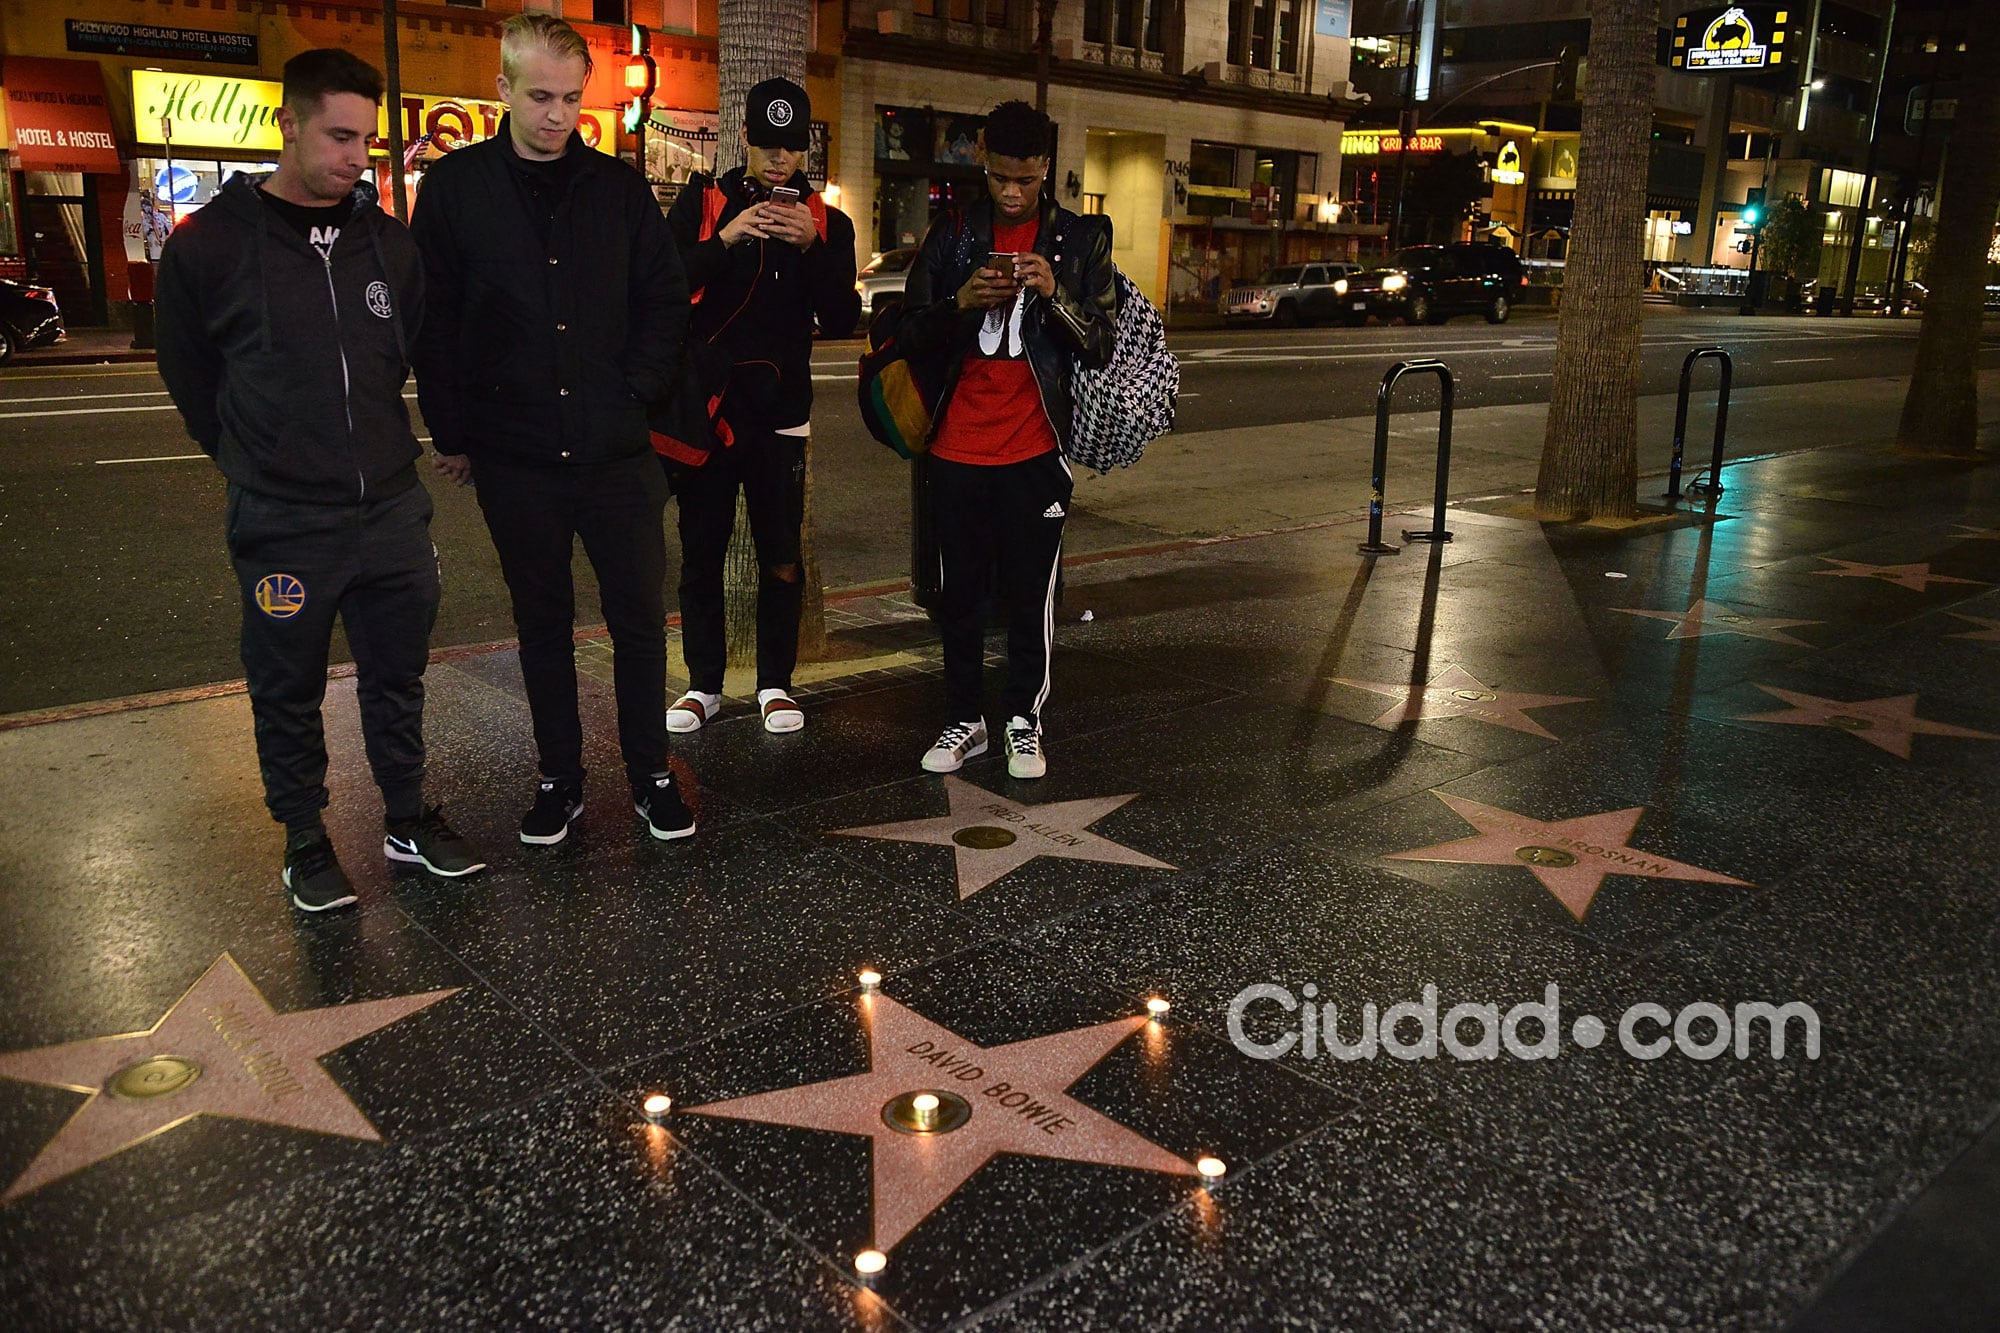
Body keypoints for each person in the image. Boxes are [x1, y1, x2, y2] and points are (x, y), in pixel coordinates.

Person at [156, 49, 484, 913]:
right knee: (287, 686)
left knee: (396, 677)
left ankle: (407, 821)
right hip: (283, 520)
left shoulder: (387, 243)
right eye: (338, 135)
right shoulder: (212, 246)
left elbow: (422, 350)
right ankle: (305, 838)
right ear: (288, 125)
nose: (354, 156)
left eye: (367, 142)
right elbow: (190, 374)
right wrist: (247, 459)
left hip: (388, 510)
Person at [410, 14, 693, 845]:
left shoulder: (618, 188)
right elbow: (437, 318)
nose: (557, 115)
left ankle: (650, 772)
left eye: (572, 99)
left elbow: (665, 301)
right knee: (542, 621)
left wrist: (635, 392)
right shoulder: (457, 189)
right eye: (540, 97)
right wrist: (453, 428)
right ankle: (558, 776)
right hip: (517, 454)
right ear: (501, 89)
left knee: (640, 617)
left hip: (615, 451)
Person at [898, 100, 1116, 780]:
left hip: (1033, 451)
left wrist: (1056, 297)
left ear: (1046, 166)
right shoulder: (954, 231)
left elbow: (1103, 345)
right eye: (1000, 178)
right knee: (958, 595)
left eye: (1026, 179)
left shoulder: (1080, 238)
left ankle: (1024, 719)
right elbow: (908, 333)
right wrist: (960, 301)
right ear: (982, 160)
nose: (1014, 192)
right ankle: (965, 719)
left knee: (1031, 595)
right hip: (955, 449)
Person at [657, 78, 860, 736]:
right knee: (702, 552)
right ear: (743, 138)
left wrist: (812, 247)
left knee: (780, 555)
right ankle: (703, 685)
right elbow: (660, 285)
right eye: (768, 144)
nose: (779, 159)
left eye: (792, 148)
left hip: (780, 415)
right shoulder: (704, 200)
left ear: (805, 151)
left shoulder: (828, 221)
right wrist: (730, 238)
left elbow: (841, 316)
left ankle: (776, 682)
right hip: (709, 411)